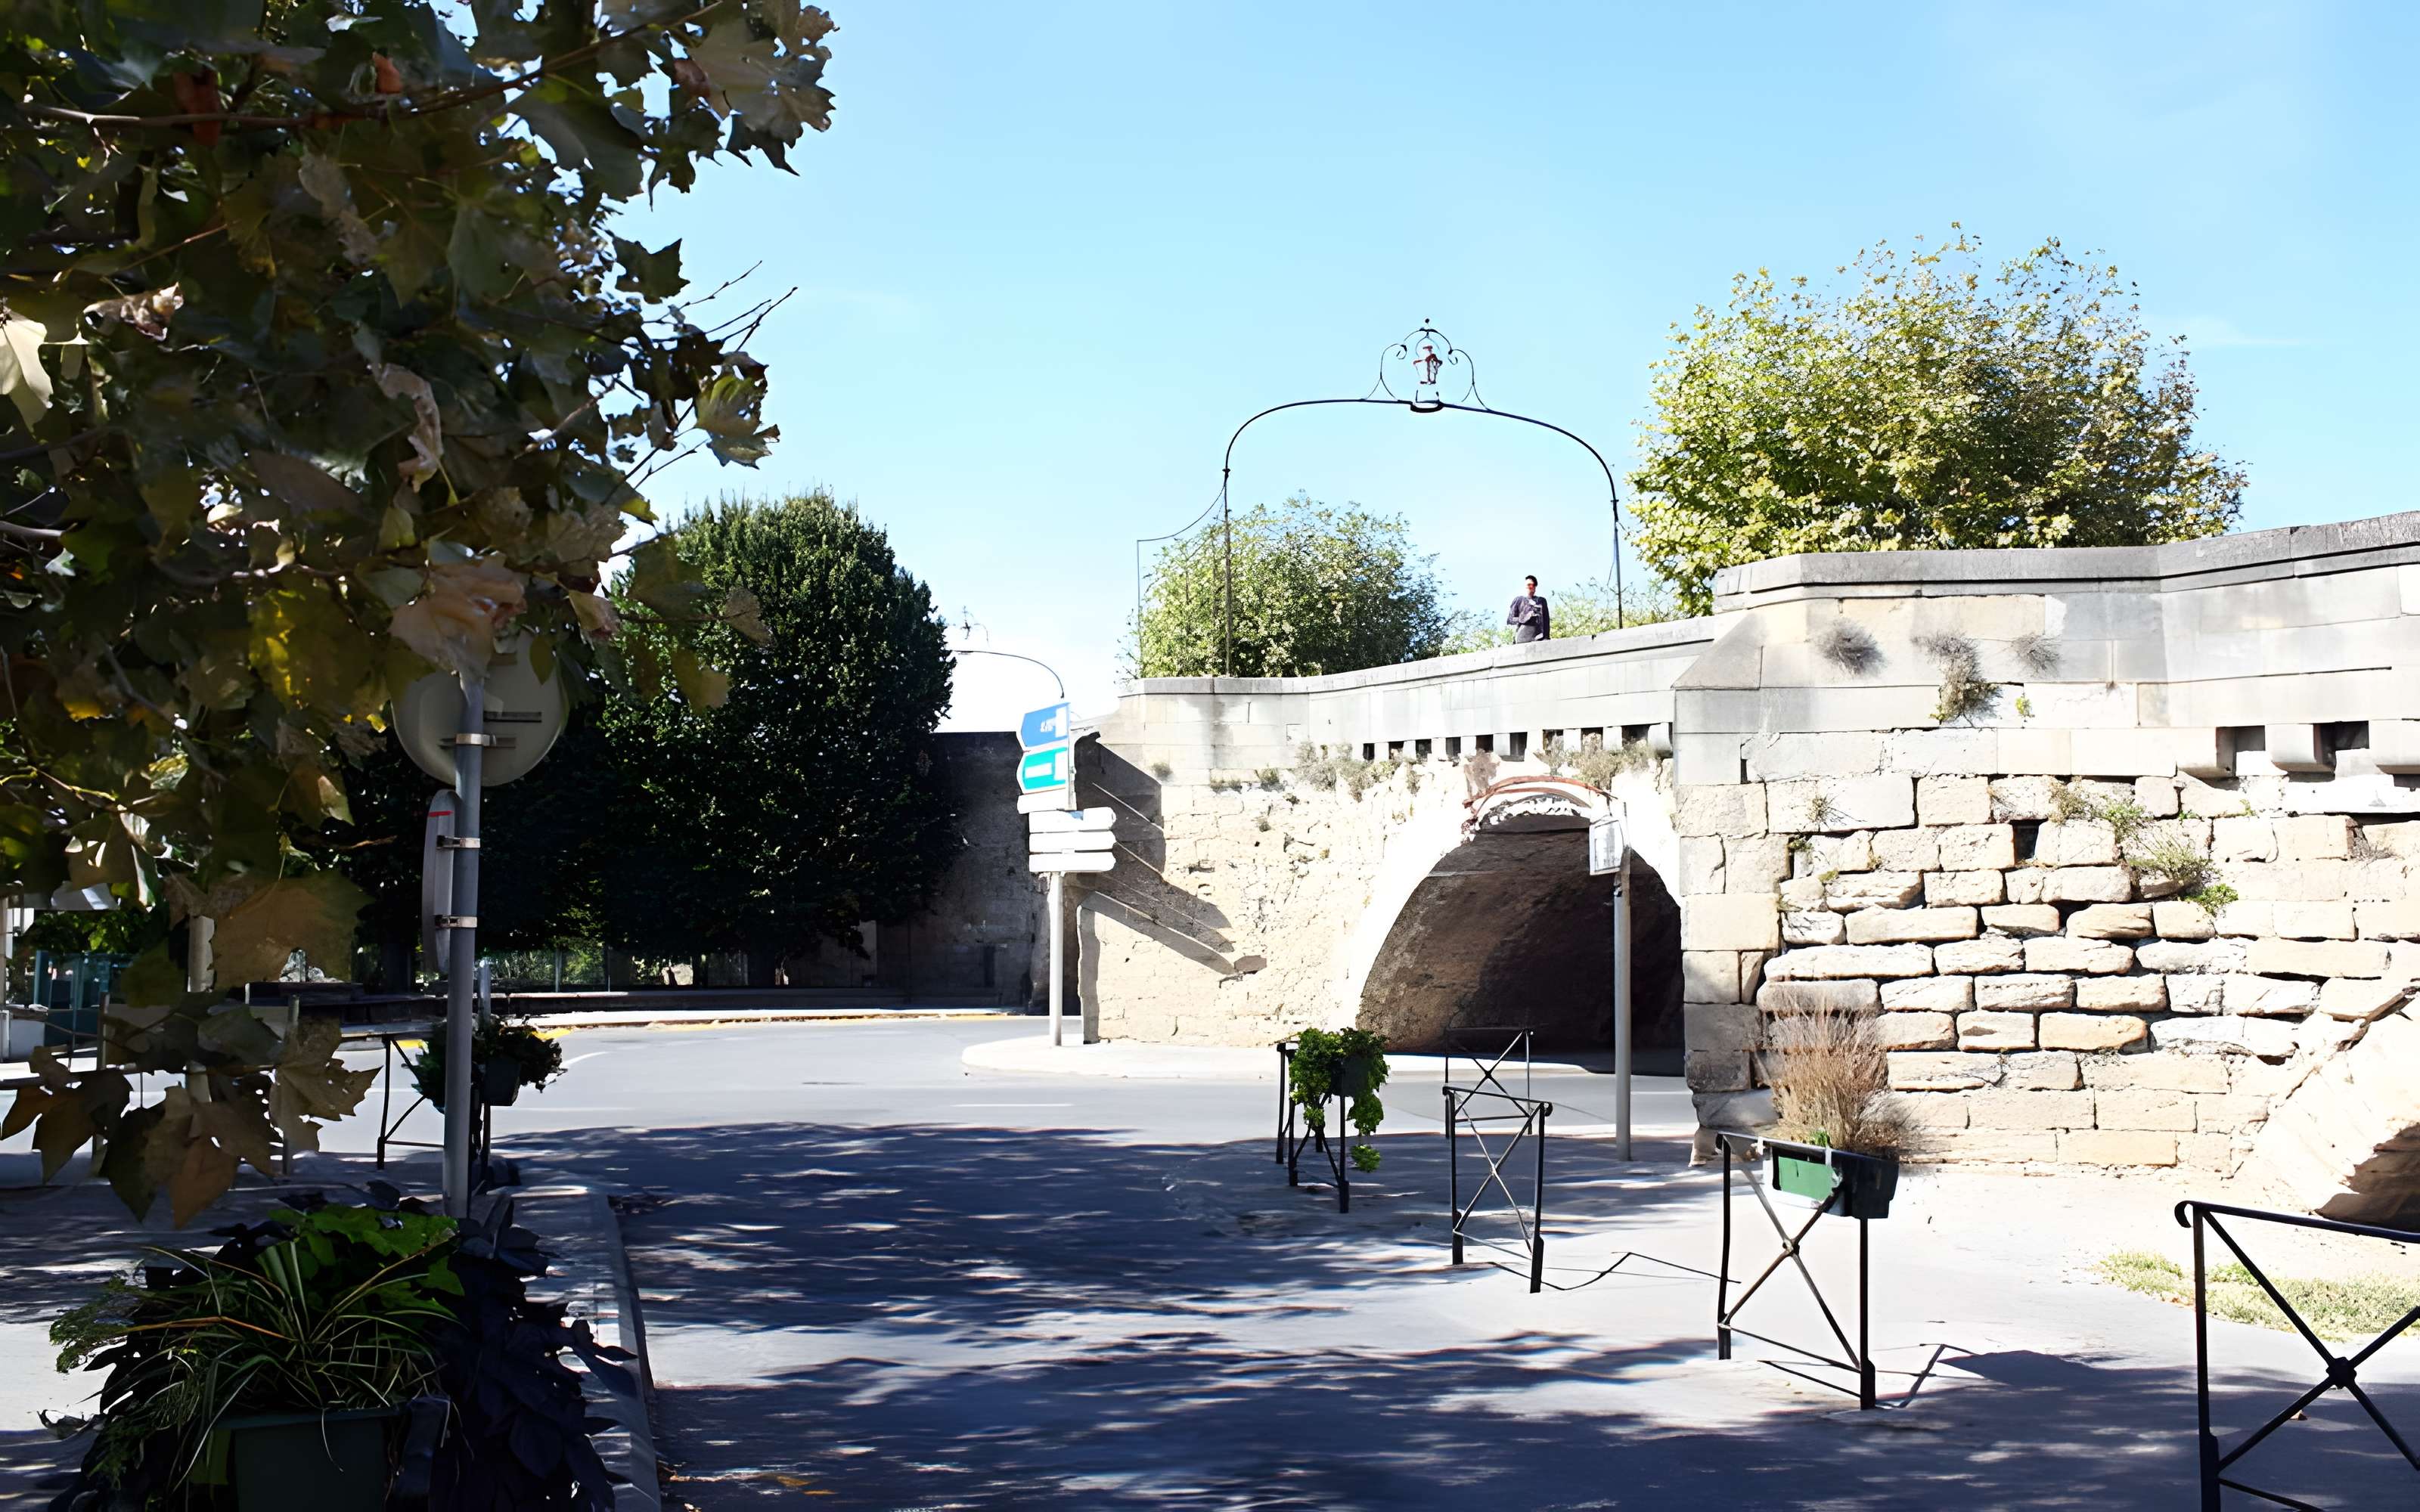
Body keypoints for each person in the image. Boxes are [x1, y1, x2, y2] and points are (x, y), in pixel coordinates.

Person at [1505, 575, 1550, 643]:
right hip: (1523, 634)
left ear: (1535, 587)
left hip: (1538, 635)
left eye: (1533, 585)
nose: (1531, 587)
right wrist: (1527, 616)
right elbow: (1510, 620)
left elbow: (1546, 620)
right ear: (1525, 586)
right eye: (1529, 585)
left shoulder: (1541, 601)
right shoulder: (1519, 600)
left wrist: (1546, 637)